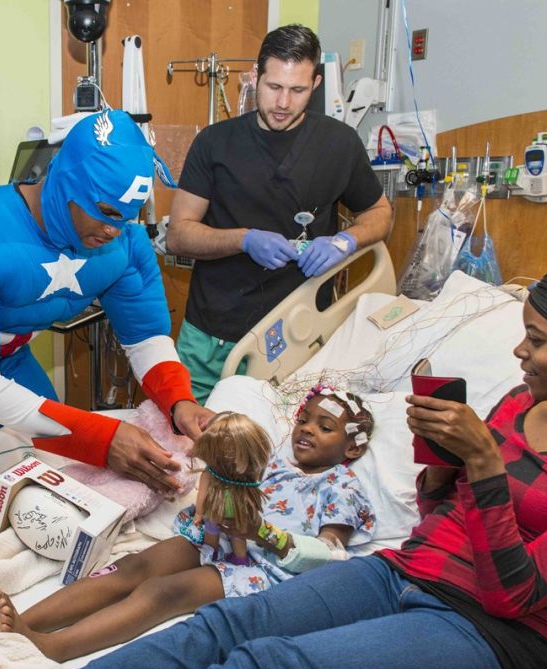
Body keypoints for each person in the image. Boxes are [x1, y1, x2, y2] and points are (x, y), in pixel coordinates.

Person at [74, 232, 547, 669]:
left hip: (487, 635)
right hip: (400, 573)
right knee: (223, 629)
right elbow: (442, 519)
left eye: (538, 340)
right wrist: (443, 470)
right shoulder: (521, 404)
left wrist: (483, 465)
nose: (521, 350)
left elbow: (513, 596)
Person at [0, 110, 215, 488]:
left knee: (49, 475)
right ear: (65, 181)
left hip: (9, 354)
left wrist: (179, 402)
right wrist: (101, 439)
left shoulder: (124, 242)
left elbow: (146, 339)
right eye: (104, 211)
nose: (112, 230)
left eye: (127, 216)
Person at [0, 391, 376, 663]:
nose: (306, 429)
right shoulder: (268, 460)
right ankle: (20, 623)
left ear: (353, 447)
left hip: (261, 570)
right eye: (304, 420)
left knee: (162, 591)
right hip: (212, 537)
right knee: (131, 568)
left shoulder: (339, 486)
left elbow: (331, 555)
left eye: (325, 427)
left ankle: (52, 647)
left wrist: (263, 534)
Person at [167, 24, 394, 403]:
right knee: (189, 445)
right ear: (256, 77)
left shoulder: (339, 145)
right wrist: (243, 239)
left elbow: (380, 213)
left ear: (316, 83)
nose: (283, 103)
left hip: (297, 332)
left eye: (298, 90)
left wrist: (345, 240)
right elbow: (180, 234)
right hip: (211, 334)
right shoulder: (215, 144)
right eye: (274, 87)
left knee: (281, 447)